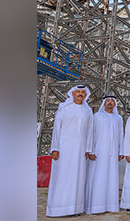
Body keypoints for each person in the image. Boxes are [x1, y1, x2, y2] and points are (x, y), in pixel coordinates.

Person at [46, 84, 94, 217]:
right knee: (62, 176)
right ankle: (58, 209)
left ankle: (75, 209)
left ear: (86, 95)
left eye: (83, 92)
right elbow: (56, 129)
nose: (80, 94)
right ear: (72, 94)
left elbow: (90, 131)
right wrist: (55, 148)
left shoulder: (87, 110)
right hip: (64, 149)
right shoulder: (64, 109)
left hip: (80, 150)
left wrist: (88, 149)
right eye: (77, 92)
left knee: (78, 177)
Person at [85, 95, 124, 214]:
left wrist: (121, 151)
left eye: (112, 101)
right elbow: (91, 133)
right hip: (98, 152)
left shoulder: (118, 118)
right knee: (98, 177)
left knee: (111, 177)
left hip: (112, 154)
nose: (110, 103)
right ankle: (96, 206)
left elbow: (121, 135)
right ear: (104, 103)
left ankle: (111, 206)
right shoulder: (97, 117)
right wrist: (90, 150)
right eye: (108, 101)